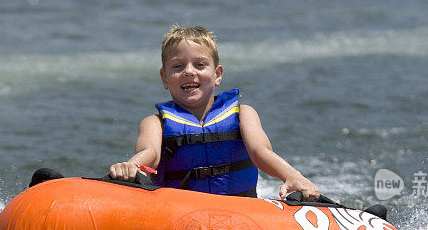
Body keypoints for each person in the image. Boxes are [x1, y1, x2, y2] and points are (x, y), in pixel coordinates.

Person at [109, 26, 320, 200]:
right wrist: (131, 166)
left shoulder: (243, 114)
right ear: (165, 78)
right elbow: (150, 153)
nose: (189, 71)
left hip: (240, 211)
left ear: (217, 74)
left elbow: (260, 151)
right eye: (178, 66)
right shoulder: (155, 123)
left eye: (200, 64)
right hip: (178, 214)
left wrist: (293, 176)